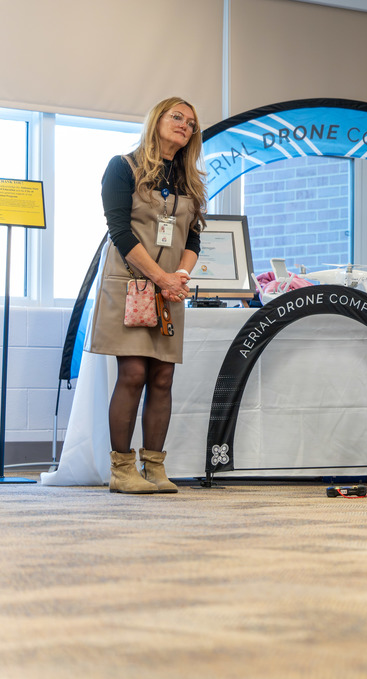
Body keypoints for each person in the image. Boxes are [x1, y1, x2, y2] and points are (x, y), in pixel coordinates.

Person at [85, 97, 206, 494]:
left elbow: (193, 239)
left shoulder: (189, 181)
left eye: (191, 123)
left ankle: (153, 467)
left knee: (163, 377)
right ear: (156, 120)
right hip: (130, 283)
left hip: (169, 289)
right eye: (177, 117)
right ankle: (122, 470)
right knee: (134, 372)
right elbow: (120, 232)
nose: (184, 125)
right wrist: (162, 278)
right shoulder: (122, 167)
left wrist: (179, 276)